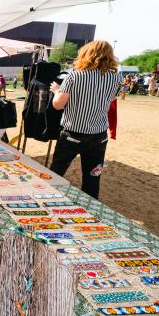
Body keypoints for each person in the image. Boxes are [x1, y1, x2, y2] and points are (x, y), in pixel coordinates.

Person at [49, 40, 122, 199]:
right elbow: (110, 100)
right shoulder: (116, 78)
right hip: (99, 135)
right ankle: (91, 209)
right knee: (93, 176)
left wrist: (56, 91)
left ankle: (47, 200)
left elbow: (58, 105)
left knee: (56, 171)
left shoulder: (74, 76)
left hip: (73, 134)